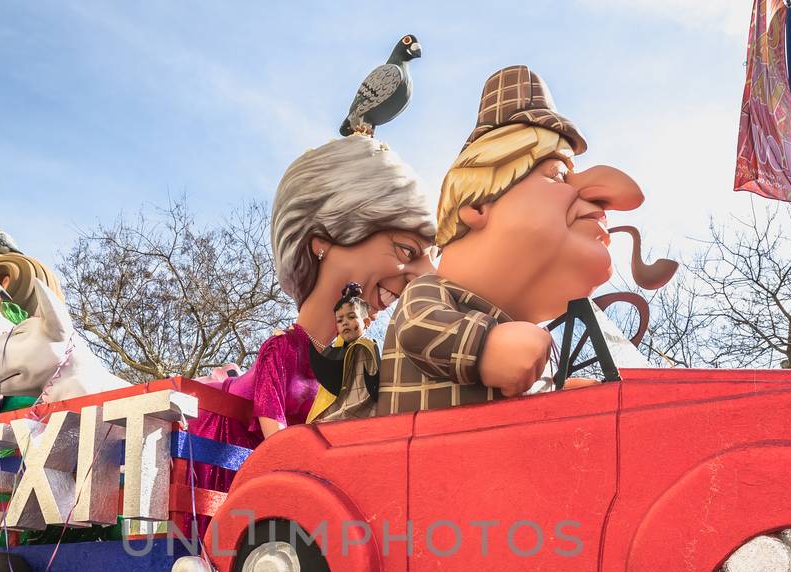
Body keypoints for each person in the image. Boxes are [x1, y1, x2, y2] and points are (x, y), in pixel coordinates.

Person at [381, 65, 654, 413]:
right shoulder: (432, 292)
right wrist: (485, 347)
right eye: (557, 174)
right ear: (478, 204)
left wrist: (560, 394)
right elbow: (419, 330)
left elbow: (522, 385)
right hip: (417, 462)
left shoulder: (537, 338)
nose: (605, 199)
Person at [187, 131, 437, 489]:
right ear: (322, 244)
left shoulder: (347, 361)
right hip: (225, 468)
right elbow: (275, 432)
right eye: (407, 251)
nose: (427, 276)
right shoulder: (281, 349)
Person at [308, 283, 381, 423]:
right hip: (329, 416)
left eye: (351, 317)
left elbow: (360, 398)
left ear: (366, 322)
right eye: (340, 320)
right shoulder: (341, 349)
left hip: (347, 420)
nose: (345, 323)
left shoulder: (363, 347)